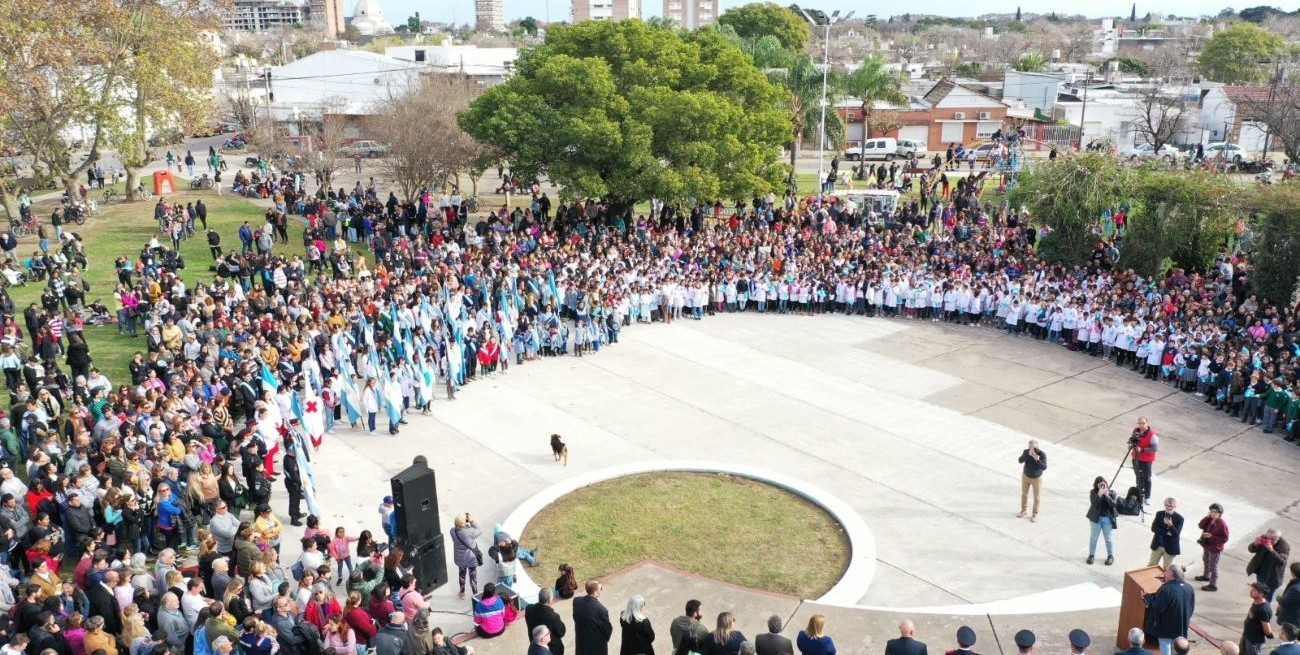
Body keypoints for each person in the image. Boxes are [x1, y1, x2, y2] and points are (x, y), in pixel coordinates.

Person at [1143, 565, 1196, 655]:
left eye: (1166, 571)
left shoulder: (1167, 589)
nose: (1163, 572)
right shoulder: (1189, 588)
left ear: (1171, 574)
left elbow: (1157, 607)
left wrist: (1146, 597)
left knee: (1165, 646)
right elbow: (1191, 608)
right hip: (1181, 626)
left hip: (1166, 628)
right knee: (1179, 649)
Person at [1248, 528, 1291, 602]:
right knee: (1259, 593)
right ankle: (1257, 605)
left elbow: (1281, 562)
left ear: (1278, 538)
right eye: (1268, 538)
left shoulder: (1284, 546)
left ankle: (1264, 609)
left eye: (1273, 539)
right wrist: (1254, 544)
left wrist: (1272, 551)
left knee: (1267, 597)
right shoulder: (1263, 538)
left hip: (1273, 576)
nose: (1270, 541)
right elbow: (1251, 550)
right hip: (1261, 572)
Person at [573, 580, 613, 655]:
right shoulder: (601, 610)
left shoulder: (577, 601)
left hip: (581, 644)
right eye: (600, 589)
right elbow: (607, 631)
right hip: (595, 648)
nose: (601, 591)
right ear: (595, 592)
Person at [1197, 503, 1230, 591]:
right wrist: (1207, 517)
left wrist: (1211, 536)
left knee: (1213, 566)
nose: (1213, 513)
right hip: (1207, 545)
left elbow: (1224, 539)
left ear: (1219, 513)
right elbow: (1200, 525)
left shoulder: (1222, 524)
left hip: (1215, 548)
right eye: (1211, 511)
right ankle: (1206, 576)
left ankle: (1213, 585)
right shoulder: (1210, 519)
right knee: (1206, 561)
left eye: (1215, 512)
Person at [1086, 476, 1118, 566]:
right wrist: (1099, 495)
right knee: (1094, 538)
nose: (1102, 487)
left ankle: (1110, 556)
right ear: (1096, 486)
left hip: (1107, 519)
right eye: (1100, 485)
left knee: (1108, 538)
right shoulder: (1093, 493)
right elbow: (1094, 504)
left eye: (1103, 484)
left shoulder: (1112, 493)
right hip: (1096, 519)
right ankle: (1091, 555)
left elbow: (1114, 505)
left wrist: (1107, 496)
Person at [526, 588, 568, 655]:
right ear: (549, 601)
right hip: (549, 648)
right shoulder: (552, 616)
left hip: (535, 642)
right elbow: (561, 632)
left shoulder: (529, 609)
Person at [450, 513, 481, 599]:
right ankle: (475, 595)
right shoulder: (470, 531)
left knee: (462, 575)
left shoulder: (452, 531)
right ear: (464, 523)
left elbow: (460, 530)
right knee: (473, 578)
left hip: (460, 559)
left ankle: (462, 592)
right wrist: (472, 521)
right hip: (471, 559)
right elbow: (480, 530)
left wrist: (465, 525)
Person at [1149, 498, 1185, 568]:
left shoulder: (1180, 518)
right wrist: (1166, 533)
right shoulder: (1159, 514)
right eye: (1167, 505)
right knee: (1151, 565)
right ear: (1164, 505)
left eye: (1171, 506)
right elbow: (1153, 528)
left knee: (1167, 568)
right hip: (1158, 545)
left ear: (1175, 507)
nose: (1168, 507)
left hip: (1170, 547)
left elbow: (1176, 533)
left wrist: (1171, 525)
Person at [1130, 417, 1158, 504]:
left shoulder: (1152, 435)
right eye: (1140, 423)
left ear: (1147, 423)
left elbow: (1154, 448)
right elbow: (1132, 440)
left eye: (1143, 423)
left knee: (1147, 478)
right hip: (1136, 458)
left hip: (1146, 460)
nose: (1141, 425)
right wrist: (1131, 445)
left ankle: (1147, 496)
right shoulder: (1136, 431)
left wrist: (1141, 450)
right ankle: (1139, 492)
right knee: (1138, 476)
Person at [1242, 582, 1276, 655]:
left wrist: (1269, 635)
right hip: (1247, 635)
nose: (1251, 591)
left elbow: (1267, 629)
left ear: (1261, 594)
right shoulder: (1256, 601)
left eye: (1254, 590)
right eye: (1251, 589)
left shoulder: (1263, 610)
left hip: (1253, 640)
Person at [1017, 440, 1046, 521]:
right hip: (1025, 477)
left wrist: (1037, 459)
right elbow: (1020, 460)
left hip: (1036, 479)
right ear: (1028, 446)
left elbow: (1044, 467)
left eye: (1034, 447)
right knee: (1024, 495)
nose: (1032, 449)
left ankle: (1034, 515)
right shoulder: (1026, 452)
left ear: (1037, 447)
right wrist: (1027, 455)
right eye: (1030, 447)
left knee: (1036, 498)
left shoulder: (1042, 454)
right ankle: (1023, 511)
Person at [1279, 563, 1300, 627]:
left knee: (1287, 635)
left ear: (1293, 573)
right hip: (1296, 617)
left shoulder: (1295, 588)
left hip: (1291, 618)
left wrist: (1278, 598)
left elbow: (1284, 602)